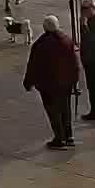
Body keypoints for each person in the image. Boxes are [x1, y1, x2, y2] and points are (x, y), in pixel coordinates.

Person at [23, 15, 81, 149]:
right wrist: (75, 81)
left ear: (44, 28)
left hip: (47, 85)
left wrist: (28, 82)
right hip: (65, 83)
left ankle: (59, 139)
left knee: (53, 111)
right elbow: (75, 63)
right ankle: (69, 136)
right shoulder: (67, 40)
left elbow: (33, 65)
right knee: (65, 108)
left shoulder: (40, 44)